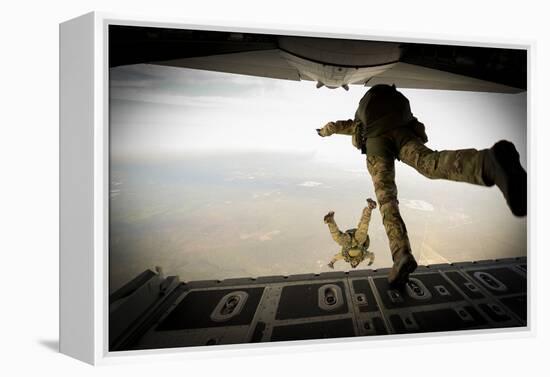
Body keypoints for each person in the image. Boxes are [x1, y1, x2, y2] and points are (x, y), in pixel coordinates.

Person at [317, 84, 527, 288]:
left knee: (386, 199)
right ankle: (488, 162)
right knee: (429, 163)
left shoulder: (357, 123)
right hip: (401, 129)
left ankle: (401, 255)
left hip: (377, 143)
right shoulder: (384, 108)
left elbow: (335, 126)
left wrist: (323, 132)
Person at [325, 198, 377, 270]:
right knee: (364, 227)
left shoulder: (345, 256)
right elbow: (372, 255)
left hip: (348, 242)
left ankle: (330, 221)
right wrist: (371, 261)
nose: (354, 263)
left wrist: (331, 263)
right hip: (359, 241)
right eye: (355, 264)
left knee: (337, 238)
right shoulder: (363, 256)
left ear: (350, 263)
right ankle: (370, 208)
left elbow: (336, 257)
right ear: (358, 263)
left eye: (352, 264)